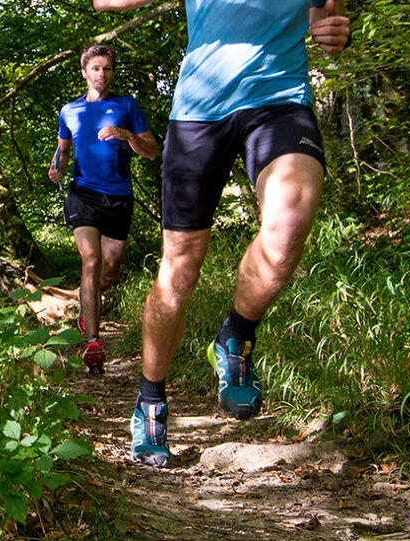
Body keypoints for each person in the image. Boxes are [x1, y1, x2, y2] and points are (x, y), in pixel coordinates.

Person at [91, 0, 351, 466]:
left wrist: (333, 31)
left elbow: (326, 16)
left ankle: (235, 337)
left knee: (289, 221)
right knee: (180, 272)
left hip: (280, 102)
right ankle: (150, 400)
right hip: (199, 113)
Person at [49, 44, 161, 375]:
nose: (102, 74)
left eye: (107, 68)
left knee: (109, 273)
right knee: (91, 261)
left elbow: (152, 151)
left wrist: (126, 135)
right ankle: (93, 343)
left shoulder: (127, 106)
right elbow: (63, 150)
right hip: (83, 194)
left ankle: (87, 300)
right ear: (84, 72)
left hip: (119, 197)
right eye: (96, 68)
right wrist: (57, 167)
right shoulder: (70, 111)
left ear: (112, 73)